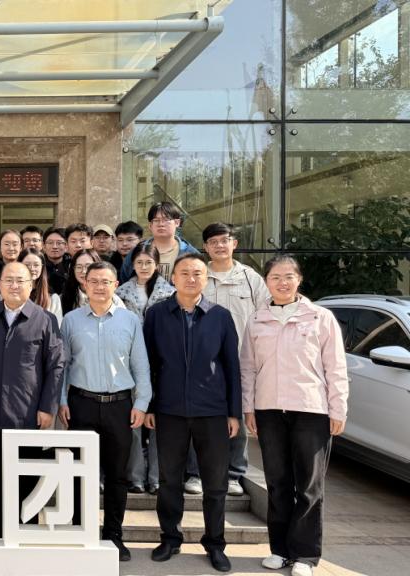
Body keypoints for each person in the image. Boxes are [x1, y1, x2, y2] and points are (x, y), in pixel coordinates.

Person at [241, 256, 348, 576]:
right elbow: (248, 367)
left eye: (288, 276)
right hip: (270, 410)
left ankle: (305, 555)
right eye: (275, 277)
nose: (282, 283)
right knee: (277, 482)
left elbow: (335, 366)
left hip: (311, 410)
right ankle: (280, 550)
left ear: (299, 280)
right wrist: (249, 407)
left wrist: (338, 408)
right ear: (266, 282)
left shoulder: (320, 318)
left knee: (309, 486)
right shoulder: (257, 319)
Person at [143, 254, 240, 572]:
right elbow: (149, 364)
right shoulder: (157, 314)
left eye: (197, 273)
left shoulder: (220, 316)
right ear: (173, 278)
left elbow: (232, 366)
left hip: (212, 411)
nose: (190, 278)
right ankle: (170, 538)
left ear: (206, 278)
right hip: (169, 410)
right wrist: (150, 406)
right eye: (184, 272)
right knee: (169, 480)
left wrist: (234, 413)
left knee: (215, 483)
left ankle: (215, 543)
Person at [60, 261, 151, 562]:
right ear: (85, 284)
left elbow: (141, 365)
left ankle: (113, 535)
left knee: (117, 475)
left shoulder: (129, 320)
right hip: (81, 404)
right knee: (79, 472)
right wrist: (61, 400)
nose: (99, 287)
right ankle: (80, 531)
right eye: (94, 281)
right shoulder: (71, 320)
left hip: (119, 406)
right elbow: (63, 365)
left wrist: (141, 403)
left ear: (116, 285)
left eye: (106, 281)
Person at [0, 261, 64, 539]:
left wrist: (48, 407)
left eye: (20, 280)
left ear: (31, 285)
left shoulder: (45, 319)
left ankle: (24, 535)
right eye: (8, 280)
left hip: (29, 415)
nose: (14, 285)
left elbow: (56, 366)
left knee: (27, 479)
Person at [184, 222, 271, 498]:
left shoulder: (250, 278)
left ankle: (234, 474)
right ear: (205, 247)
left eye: (225, 240)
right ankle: (196, 473)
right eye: (213, 242)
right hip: (202, 361)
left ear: (234, 243)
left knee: (238, 416)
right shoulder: (198, 274)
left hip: (241, 359)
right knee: (198, 418)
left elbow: (266, 315)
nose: (220, 246)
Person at [116, 243, 175, 494]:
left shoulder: (170, 293)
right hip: (129, 362)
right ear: (132, 265)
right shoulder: (120, 293)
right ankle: (136, 476)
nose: (143, 267)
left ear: (157, 264)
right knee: (134, 420)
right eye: (139, 262)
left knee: (158, 422)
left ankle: (157, 476)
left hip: (162, 362)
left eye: (148, 262)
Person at [121, 202, 199, 281]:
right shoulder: (137, 252)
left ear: (177, 222)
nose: (161, 224)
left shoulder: (190, 253)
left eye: (166, 219)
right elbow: (124, 280)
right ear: (150, 225)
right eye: (156, 220)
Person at [17, 248, 62, 325]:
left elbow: (56, 327)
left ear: (42, 267)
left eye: (36, 265)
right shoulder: (8, 293)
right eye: (27, 265)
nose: (32, 268)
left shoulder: (53, 299)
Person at [42, 226, 71, 296]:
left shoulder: (72, 265)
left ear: (66, 246)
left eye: (59, 243)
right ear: (44, 246)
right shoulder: (38, 265)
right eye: (50, 243)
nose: (54, 246)